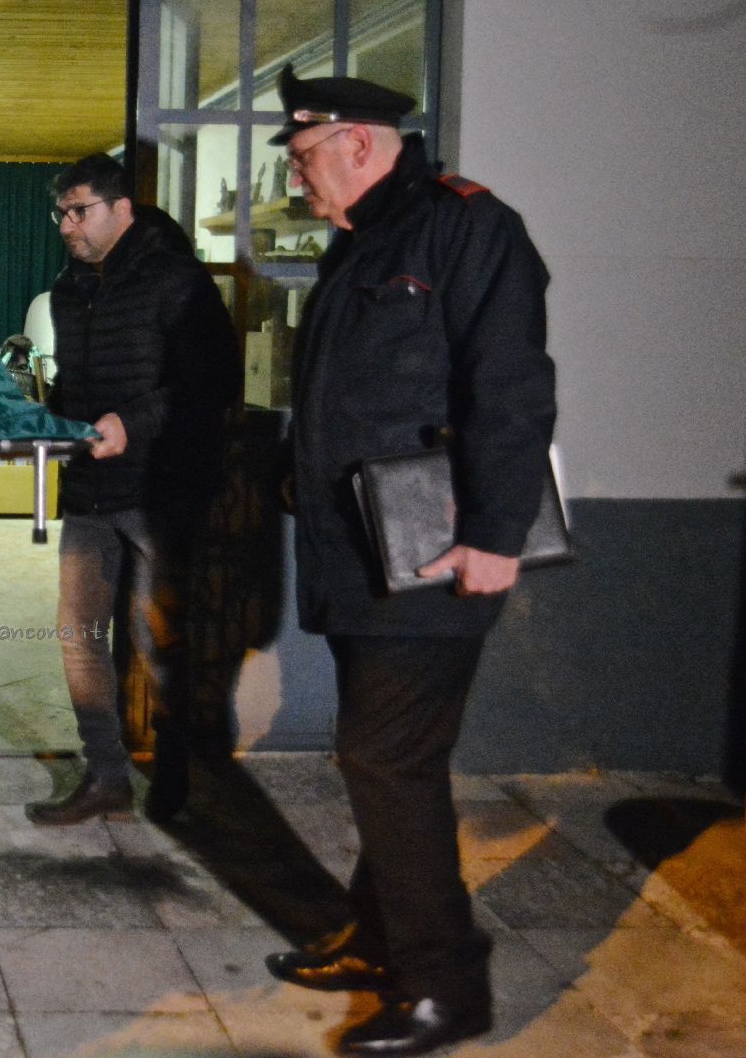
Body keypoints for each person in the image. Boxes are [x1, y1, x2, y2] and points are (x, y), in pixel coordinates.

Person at [263, 65, 556, 1056]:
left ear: (357, 142)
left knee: (385, 759)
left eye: (304, 155)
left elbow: (510, 388)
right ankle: (380, 939)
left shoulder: (467, 228)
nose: (297, 175)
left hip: (435, 548)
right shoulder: (362, 243)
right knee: (388, 756)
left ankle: (445, 986)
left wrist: (496, 533)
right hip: (358, 552)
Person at [26, 153, 240, 827]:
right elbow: (76, 385)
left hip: (160, 493)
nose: (67, 225)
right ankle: (107, 776)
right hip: (90, 491)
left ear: (122, 208)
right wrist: (47, 421)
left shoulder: (177, 282)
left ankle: (178, 779)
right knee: (78, 634)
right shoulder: (67, 291)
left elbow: (213, 384)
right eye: (60, 213)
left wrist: (131, 422)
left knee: (161, 643)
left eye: (79, 211)